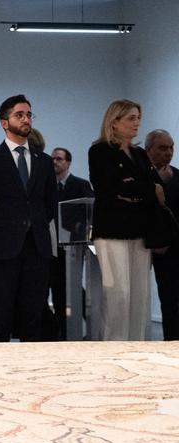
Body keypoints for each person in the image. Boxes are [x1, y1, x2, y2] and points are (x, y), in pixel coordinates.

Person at [0, 95, 57, 342]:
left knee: (33, 314)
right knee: (2, 314)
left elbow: (49, 205)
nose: (26, 119)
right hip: (1, 249)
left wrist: (32, 223)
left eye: (29, 114)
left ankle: (29, 370)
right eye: (19, 115)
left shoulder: (44, 161)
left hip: (36, 247)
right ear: (4, 123)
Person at [88, 99, 162, 341]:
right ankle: (115, 349)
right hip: (112, 232)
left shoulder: (140, 153)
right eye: (131, 118)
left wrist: (137, 189)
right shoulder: (100, 151)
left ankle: (138, 348)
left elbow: (155, 187)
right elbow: (109, 187)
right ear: (114, 121)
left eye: (138, 117)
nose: (137, 123)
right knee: (118, 294)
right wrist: (141, 189)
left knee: (140, 296)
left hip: (140, 230)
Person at [47, 147, 94, 340]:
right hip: (53, 247)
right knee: (56, 288)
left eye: (59, 159)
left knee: (72, 286)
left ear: (68, 162)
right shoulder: (47, 186)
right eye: (53, 159)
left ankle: (87, 327)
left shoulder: (80, 185)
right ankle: (61, 332)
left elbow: (89, 214)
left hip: (74, 247)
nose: (55, 162)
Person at [146, 129, 179, 340]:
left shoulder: (178, 175)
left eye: (171, 148)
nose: (168, 153)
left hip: (175, 247)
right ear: (148, 150)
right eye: (162, 148)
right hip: (154, 248)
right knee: (168, 301)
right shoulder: (140, 177)